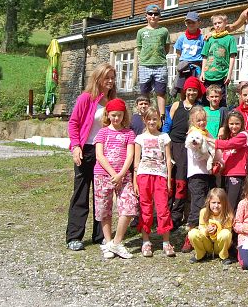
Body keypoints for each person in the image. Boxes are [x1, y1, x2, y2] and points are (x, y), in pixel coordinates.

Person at [66, 62, 116, 251]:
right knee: (81, 192)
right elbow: (73, 123)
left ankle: (101, 235)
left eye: (112, 78)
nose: (110, 81)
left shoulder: (112, 101)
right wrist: (75, 146)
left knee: (102, 194)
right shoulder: (86, 98)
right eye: (107, 77)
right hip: (85, 150)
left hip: (104, 151)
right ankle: (74, 236)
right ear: (98, 78)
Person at [93, 98, 137, 259]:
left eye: (119, 115)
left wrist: (121, 175)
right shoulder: (102, 132)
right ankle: (108, 240)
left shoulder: (129, 133)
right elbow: (99, 155)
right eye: (113, 115)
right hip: (103, 175)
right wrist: (114, 174)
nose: (116, 118)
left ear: (124, 115)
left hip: (123, 176)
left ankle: (116, 242)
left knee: (129, 205)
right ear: (108, 115)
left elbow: (130, 155)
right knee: (104, 208)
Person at [163, 76, 205, 232]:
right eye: (189, 90)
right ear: (185, 90)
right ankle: (165, 214)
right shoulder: (176, 105)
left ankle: (176, 216)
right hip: (174, 144)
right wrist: (165, 141)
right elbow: (168, 124)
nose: (192, 93)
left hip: (189, 146)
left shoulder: (199, 108)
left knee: (181, 182)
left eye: (194, 90)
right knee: (170, 179)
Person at [133, 108, 175, 257]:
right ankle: (146, 241)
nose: (152, 122)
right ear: (144, 120)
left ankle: (166, 242)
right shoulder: (139, 138)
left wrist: (168, 180)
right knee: (145, 208)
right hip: (144, 175)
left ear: (159, 121)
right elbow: (136, 162)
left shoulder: (164, 137)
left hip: (160, 175)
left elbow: (168, 160)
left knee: (163, 208)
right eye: (149, 119)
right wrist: (135, 182)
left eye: (154, 119)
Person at [183, 105, 216, 248]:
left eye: (203, 120)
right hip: (196, 173)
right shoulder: (193, 135)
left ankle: (206, 236)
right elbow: (199, 155)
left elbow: (214, 148)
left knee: (209, 205)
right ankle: (190, 236)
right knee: (198, 204)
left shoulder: (207, 133)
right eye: (198, 120)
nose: (202, 123)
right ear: (192, 121)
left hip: (208, 173)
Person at [210, 110, 248, 212]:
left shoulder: (244, 135)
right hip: (225, 173)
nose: (234, 126)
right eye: (231, 124)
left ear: (242, 124)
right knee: (224, 202)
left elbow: (229, 144)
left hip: (237, 174)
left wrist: (209, 139)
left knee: (232, 204)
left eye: (237, 124)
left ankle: (233, 222)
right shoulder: (227, 136)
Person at [137, 3, 170, 116]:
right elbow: (139, 47)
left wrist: (159, 57)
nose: (153, 16)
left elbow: (166, 47)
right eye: (150, 14)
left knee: (161, 92)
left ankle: (162, 116)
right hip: (145, 65)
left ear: (159, 16)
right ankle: (145, 115)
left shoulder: (164, 31)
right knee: (144, 92)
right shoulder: (141, 32)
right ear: (146, 15)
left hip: (160, 64)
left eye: (155, 14)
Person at [188, 187, 234, 265]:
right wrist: (207, 231)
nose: (216, 205)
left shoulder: (228, 215)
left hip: (219, 244)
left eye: (219, 203)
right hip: (207, 243)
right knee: (192, 233)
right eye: (213, 202)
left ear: (224, 203)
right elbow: (201, 227)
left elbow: (228, 232)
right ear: (209, 202)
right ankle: (200, 254)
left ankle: (223, 255)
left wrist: (217, 229)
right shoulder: (203, 212)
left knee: (226, 233)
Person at [200, 13, 238, 107]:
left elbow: (232, 57)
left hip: (221, 75)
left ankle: (221, 116)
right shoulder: (209, 39)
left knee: (220, 100)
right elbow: (205, 56)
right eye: (215, 23)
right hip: (208, 74)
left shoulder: (230, 39)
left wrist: (229, 74)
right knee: (206, 100)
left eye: (219, 23)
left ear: (225, 23)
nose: (217, 25)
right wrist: (202, 72)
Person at [174, 11, 204, 96]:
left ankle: (196, 103)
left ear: (198, 23)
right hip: (184, 67)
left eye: (193, 22)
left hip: (196, 66)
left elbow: (205, 54)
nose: (191, 24)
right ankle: (183, 103)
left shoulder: (202, 38)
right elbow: (178, 51)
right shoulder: (182, 38)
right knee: (183, 88)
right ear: (185, 23)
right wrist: (184, 61)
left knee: (196, 88)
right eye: (188, 22)